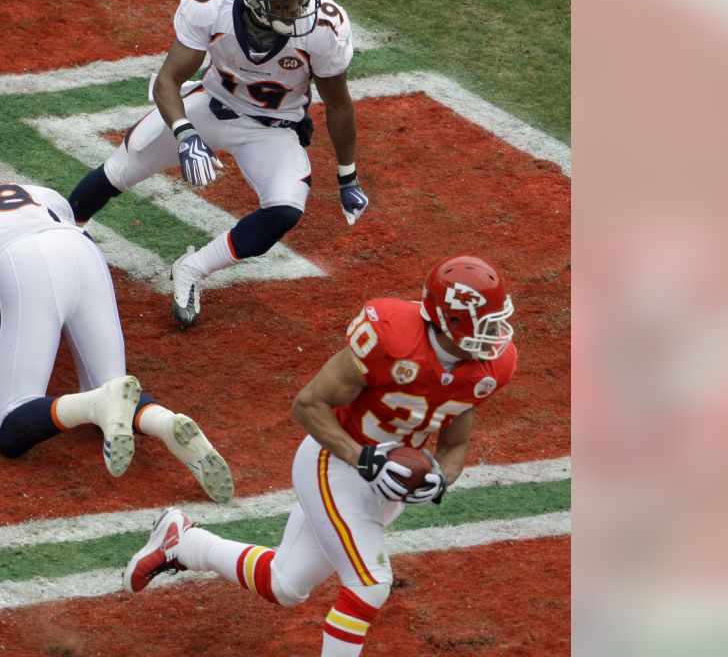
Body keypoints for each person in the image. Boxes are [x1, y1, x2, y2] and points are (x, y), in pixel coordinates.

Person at [123, 255, 518, 655]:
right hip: (336, 461)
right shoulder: (391, 337)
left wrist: (439, 477)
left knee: (286, 584)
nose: (497, 336)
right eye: (486, 325)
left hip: (387, 482)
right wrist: (363, 458)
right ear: (448, 321)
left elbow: (455, 444)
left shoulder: (492, 366)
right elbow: (309, 403)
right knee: (370, 584)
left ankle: (183, 542)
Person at [0, 158, 235, 503]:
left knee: (10, 425)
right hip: (82, 251)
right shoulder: (35, 192)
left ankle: (95, 403)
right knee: (112, 382)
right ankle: (164, 422)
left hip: (19, 264)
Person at [67, 0, 368, 329]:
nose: (297, 9)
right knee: (120, 169)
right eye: (284, 2)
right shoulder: (212, 3)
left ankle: (193, 268)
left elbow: (339, 103)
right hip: (209, 105)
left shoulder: (324, 28)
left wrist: (348, 175)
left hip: (271, 129)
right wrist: (185, 133)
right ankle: (65, 232)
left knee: (285, 209)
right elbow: (167, 80)